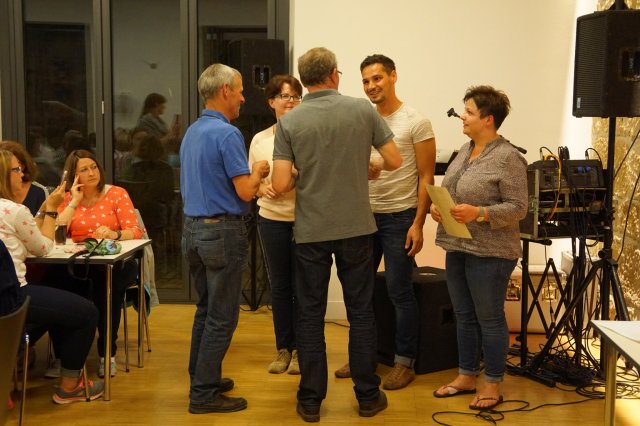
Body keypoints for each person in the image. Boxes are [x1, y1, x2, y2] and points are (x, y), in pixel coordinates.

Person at [272, 47, 402, 422]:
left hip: (311, 231)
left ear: (304, 81)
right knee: (361, 313)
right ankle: (368, 397)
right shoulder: (362, 110)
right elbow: (394, 160)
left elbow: (279, 184)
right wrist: (370, 164)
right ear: (333, 75)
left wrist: (303, 172)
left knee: (310, 316)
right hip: (357, 228)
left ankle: (311, 400)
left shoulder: (291, 122)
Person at [333, 55, 436, 390]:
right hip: (362, 217)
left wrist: (418, 223)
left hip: (399, 217)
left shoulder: (415, 122)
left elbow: (426, 176)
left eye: (377, 78)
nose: (371, 86)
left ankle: (404, 362)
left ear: (393, 77)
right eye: (365, 81)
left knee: (399, 291)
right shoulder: (362, 118)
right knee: (359, 292)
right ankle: (363, 356)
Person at [430, 86, 527, 410]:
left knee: (490, 318)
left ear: (488, 119)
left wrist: (480, 213)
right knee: (463, 315)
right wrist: (440, 209)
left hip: (492, 252)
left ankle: (493, 383)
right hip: (457, 244)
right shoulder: (464, 149)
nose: (463, 116)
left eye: (469, 112)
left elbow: (518, 208)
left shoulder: (509, 157)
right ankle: (466, 376)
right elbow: (455, 193)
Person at [180, 63, 269, 415]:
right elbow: (246, 191)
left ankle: (202, 377)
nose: (244, 98)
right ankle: (203, 394)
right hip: (221, 232)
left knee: (206, 309)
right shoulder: (228, 134)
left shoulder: (192, 131)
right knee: (222, 316)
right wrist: (258, 170)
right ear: (225, 91)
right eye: (241, 90)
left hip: (193, 230)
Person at [0, 149, 104, 404]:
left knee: (55, 306)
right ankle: (70, 386)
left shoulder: (15, 213)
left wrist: (44, 211)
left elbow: (26, 236)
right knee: (86, 313)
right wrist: (52, 209)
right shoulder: (13, 211)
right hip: (12, 295)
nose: (22, 174)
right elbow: (44, 248)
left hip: (6, 296)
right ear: (4, 176)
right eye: (16, 170)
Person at [55, 149, 144, 378]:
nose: (92, 173)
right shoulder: (67, 198)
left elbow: (135, 231)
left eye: (94, 167)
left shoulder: (116, 194)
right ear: (74, 176)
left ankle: (107, 352)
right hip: (80, 263)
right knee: (57, 283)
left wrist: (114, 234)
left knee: (106, 288)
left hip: (116, 262)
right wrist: (74, 202)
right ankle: (64, 356)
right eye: (84, 170)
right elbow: (58, 231)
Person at [248, 75, 302, 375]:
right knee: (280, 287)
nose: (291, 101)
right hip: (271, 219)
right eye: (285, 96)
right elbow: (251, 180)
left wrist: (292, 176)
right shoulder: (260, 140)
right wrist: (260, 188)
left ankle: (302, 351)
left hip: (305, 220)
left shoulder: (308, 135)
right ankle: (284, 348)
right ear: (271, 102)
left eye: (295, 96)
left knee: (304, 287)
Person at [0, 141, 49, 216]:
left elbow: (42, 221)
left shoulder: (39, 191)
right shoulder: (19, 210)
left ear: (24, 165)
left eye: (19, 167)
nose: (21, 173)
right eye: (16, 169)